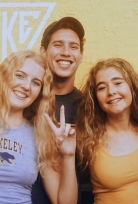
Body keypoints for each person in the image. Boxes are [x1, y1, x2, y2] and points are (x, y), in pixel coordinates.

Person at [0, 50, 77, 204]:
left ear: (40, 93)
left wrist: (68, 155)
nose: (26, 86)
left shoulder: (40, 136)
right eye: (20, 75)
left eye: (36, 83)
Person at [76, 58, 138, 204]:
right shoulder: (87, 137)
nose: (111, 91)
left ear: (132, 86)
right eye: (101, 88)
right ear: (95, 97)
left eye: (118, 83)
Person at [33, 16, 90, 203]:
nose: (66, 52)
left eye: (73, 47)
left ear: (81, 56)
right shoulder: (26, 99)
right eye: (58, 45)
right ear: (43, 52)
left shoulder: (90, 106)